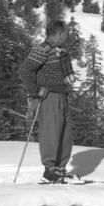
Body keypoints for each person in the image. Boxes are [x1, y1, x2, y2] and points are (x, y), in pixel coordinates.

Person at [20, 19, 75, 183]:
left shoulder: (59, 51)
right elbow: (24, 69)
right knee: (51, 132)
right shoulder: (42, 49)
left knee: (65, 134)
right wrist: (35, 91)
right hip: (49, 96)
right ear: (59, 33)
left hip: (62, 95)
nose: (68, 36)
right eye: (66, 33)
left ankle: (60, 168)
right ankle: (50, 169)